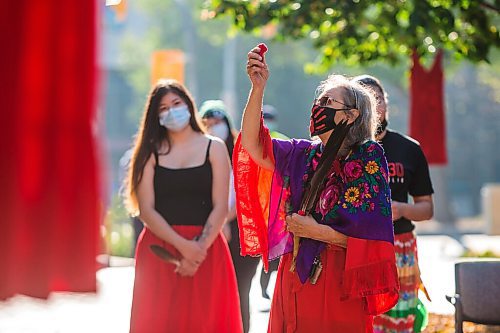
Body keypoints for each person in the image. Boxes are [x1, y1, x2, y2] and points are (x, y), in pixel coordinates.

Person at [234, 45, 400, 332]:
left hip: (340, 279)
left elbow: (376, 240)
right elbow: (252, 144)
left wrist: (316, 231)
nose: (318, 107)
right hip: (296, 274)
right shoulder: (303, 153)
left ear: (350, 115)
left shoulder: (368, 156)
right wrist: (257, 88)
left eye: (328, 102)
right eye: (319, 100)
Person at [125, 80, 242, 333]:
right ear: (156, 116)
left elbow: (221, 206)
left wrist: (198, 249)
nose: (171, 111)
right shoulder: (149, 152)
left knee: (206, 323)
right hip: (160, 250)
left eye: (176, 103)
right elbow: (146, 209)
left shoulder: (215, 147)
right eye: (163, 108)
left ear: (188, 104)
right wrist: (185, 248)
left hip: (208, 249)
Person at [354, 75, 434, 333]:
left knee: (400, 320)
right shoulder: (346, 150)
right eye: (366, 100)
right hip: (357, 247)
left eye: (378, 99)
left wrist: (401, 210)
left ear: (386, 104)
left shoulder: (409, 149)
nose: (374, 105)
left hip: (400, 246)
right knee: (362, 320)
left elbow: (426, 208)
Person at [199, 99, 259, 333]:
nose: (215, 126)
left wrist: (223, 219)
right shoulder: (197, 154)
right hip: (206, 231)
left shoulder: (243, 152)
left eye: (219, 121)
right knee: (209, 292)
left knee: (239, 289)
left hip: (240, 232)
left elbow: (249, 194)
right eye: (209, 122)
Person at [260, 104, 289, 300]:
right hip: (261, 203)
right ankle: (263, 288)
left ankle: (275, 287)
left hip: (278, 205)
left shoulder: (282, 141)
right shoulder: (254, 140)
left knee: (276, 250)